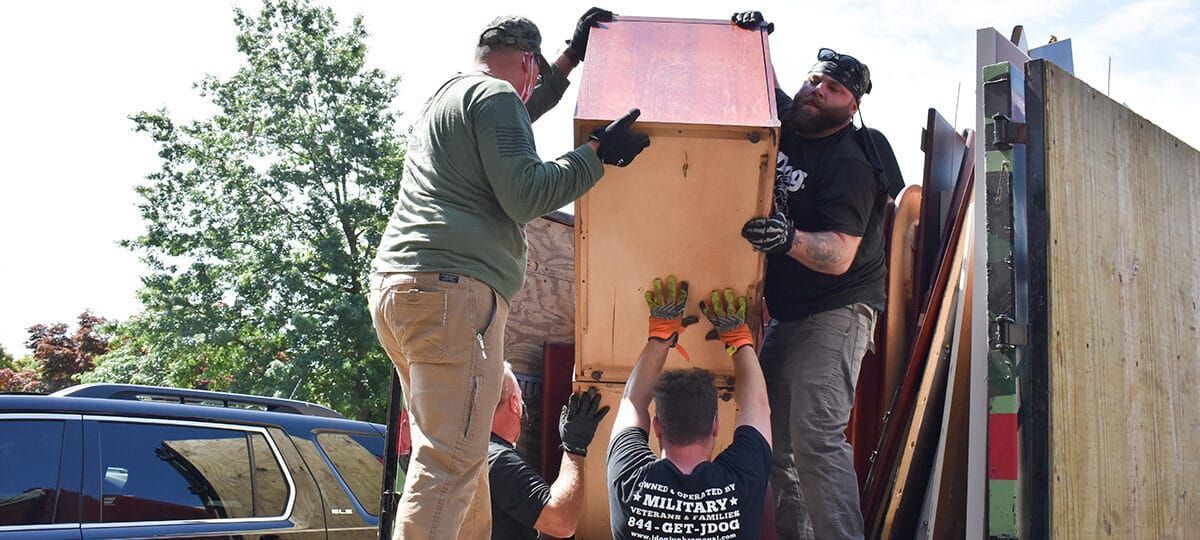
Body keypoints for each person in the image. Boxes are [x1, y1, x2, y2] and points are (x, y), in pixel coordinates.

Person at [369, 9, 650, 539]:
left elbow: (521, 111)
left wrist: (569, 60)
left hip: (403, 289)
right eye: (536, 72)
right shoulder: (497, 98)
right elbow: (526, 194)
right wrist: (598, 154)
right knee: (451, 463)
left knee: (462, 459)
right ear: (525, 62)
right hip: (454, 292)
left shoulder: (450, 97)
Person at [734, 11, 889, 540]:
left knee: (817, 437)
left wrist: (787, 239)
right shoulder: (792, 116)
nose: (819, 90)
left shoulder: (851, 160)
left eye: (835, 88)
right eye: (815, 79)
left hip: (839, 309)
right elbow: (762, 85)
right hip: (791, 311)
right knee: (775, 441)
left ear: (853, 105)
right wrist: (756, 38)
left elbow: (840, 253)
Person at [607, 276, 773, 540]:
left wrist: (660, 338)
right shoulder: (741, 481)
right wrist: (739, 340)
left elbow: (632, 402)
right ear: (716, 425)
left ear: (657, 426)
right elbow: (758, 407)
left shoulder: (630, 483)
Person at [487, 364, 609, 539]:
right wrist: (575, 447)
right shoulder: (498, 459)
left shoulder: (472, 452)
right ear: (515, 403)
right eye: (522, 401)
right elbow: (561, 522)